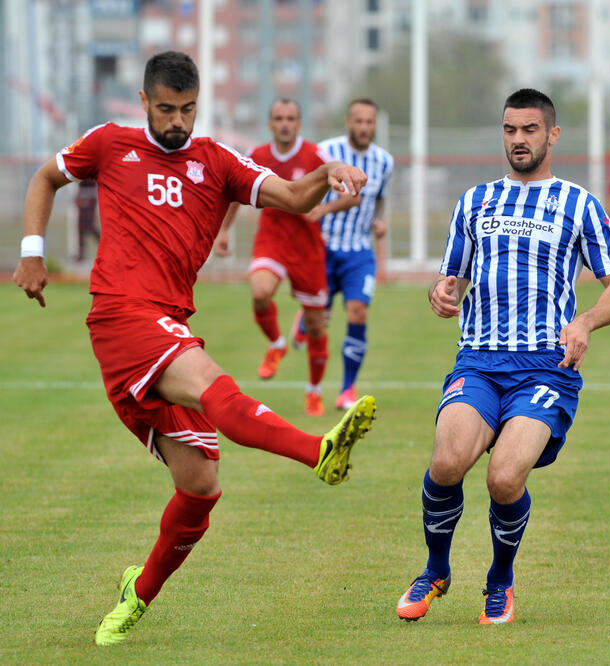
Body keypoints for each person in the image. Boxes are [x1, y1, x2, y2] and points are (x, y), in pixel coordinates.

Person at [12, 51, 378, 646]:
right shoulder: (110, 144)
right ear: (144, 101)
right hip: (121, 316)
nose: (177, 121)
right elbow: (45, 178)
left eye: (187, 109)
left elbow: (293, 197)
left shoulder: (217, 160)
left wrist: (328, 170)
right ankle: (319, 451)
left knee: (201, 486)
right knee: (215, 388)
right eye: (165, 109)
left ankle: (138, 594)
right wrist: (32, 251)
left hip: (169, 320)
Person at [394, 89, 610, 625]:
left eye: (529, 129)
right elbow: (451, 277)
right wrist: (441, 293)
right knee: (446, 463)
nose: (518, 139)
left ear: (552, 134)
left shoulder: (579, 204)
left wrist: (585, 321)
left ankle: (499, 580)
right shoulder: (475, 202)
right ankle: (436, 570)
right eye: (509, 130)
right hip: (478, 361)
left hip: (546, 367)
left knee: (504, 478)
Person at [213, 99, 331, 416]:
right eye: (279, 118)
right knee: (260, 292)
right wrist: (224, 230)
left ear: (299, 123)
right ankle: (277, 343)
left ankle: (314, 391)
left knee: (316, 327)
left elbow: (341, 186)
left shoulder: (316, 156)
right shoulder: (257, 156)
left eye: (290, 118)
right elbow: (236, 191)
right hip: (272, 239)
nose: (284, 124)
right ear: (269, 123)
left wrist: (325, 209)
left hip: (307, 246)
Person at [292, 98, 394, 410]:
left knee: (357, 312)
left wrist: (378, 222)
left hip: (359, 252)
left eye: (369, 122)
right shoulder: (326, 152)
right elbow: (307, 191)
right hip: (323, 248)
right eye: (358, 121)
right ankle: (306, 319)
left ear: (375, 125)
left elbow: (378, 200)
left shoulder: (384, 161)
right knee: (318, 321)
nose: (364, 127)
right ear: (348, 122)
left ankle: (347, 389)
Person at [73, 178, 100, 262]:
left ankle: (106, 245)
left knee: (90, 227)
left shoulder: (90, 180)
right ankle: (81, 254)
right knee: (81, 230)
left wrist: (84, 202)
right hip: (83, 208)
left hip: (88, 207)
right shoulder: (82, 180)